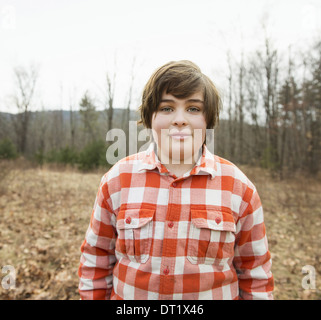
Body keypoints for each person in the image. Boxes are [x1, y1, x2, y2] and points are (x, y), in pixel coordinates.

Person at [78, 60, 274, 300]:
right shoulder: (117, 180)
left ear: (207, 119)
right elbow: (96, 261)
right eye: (167, 108)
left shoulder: (240, 189)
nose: (179, 119)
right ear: (150, 117)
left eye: (193, 108)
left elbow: (256, 275)